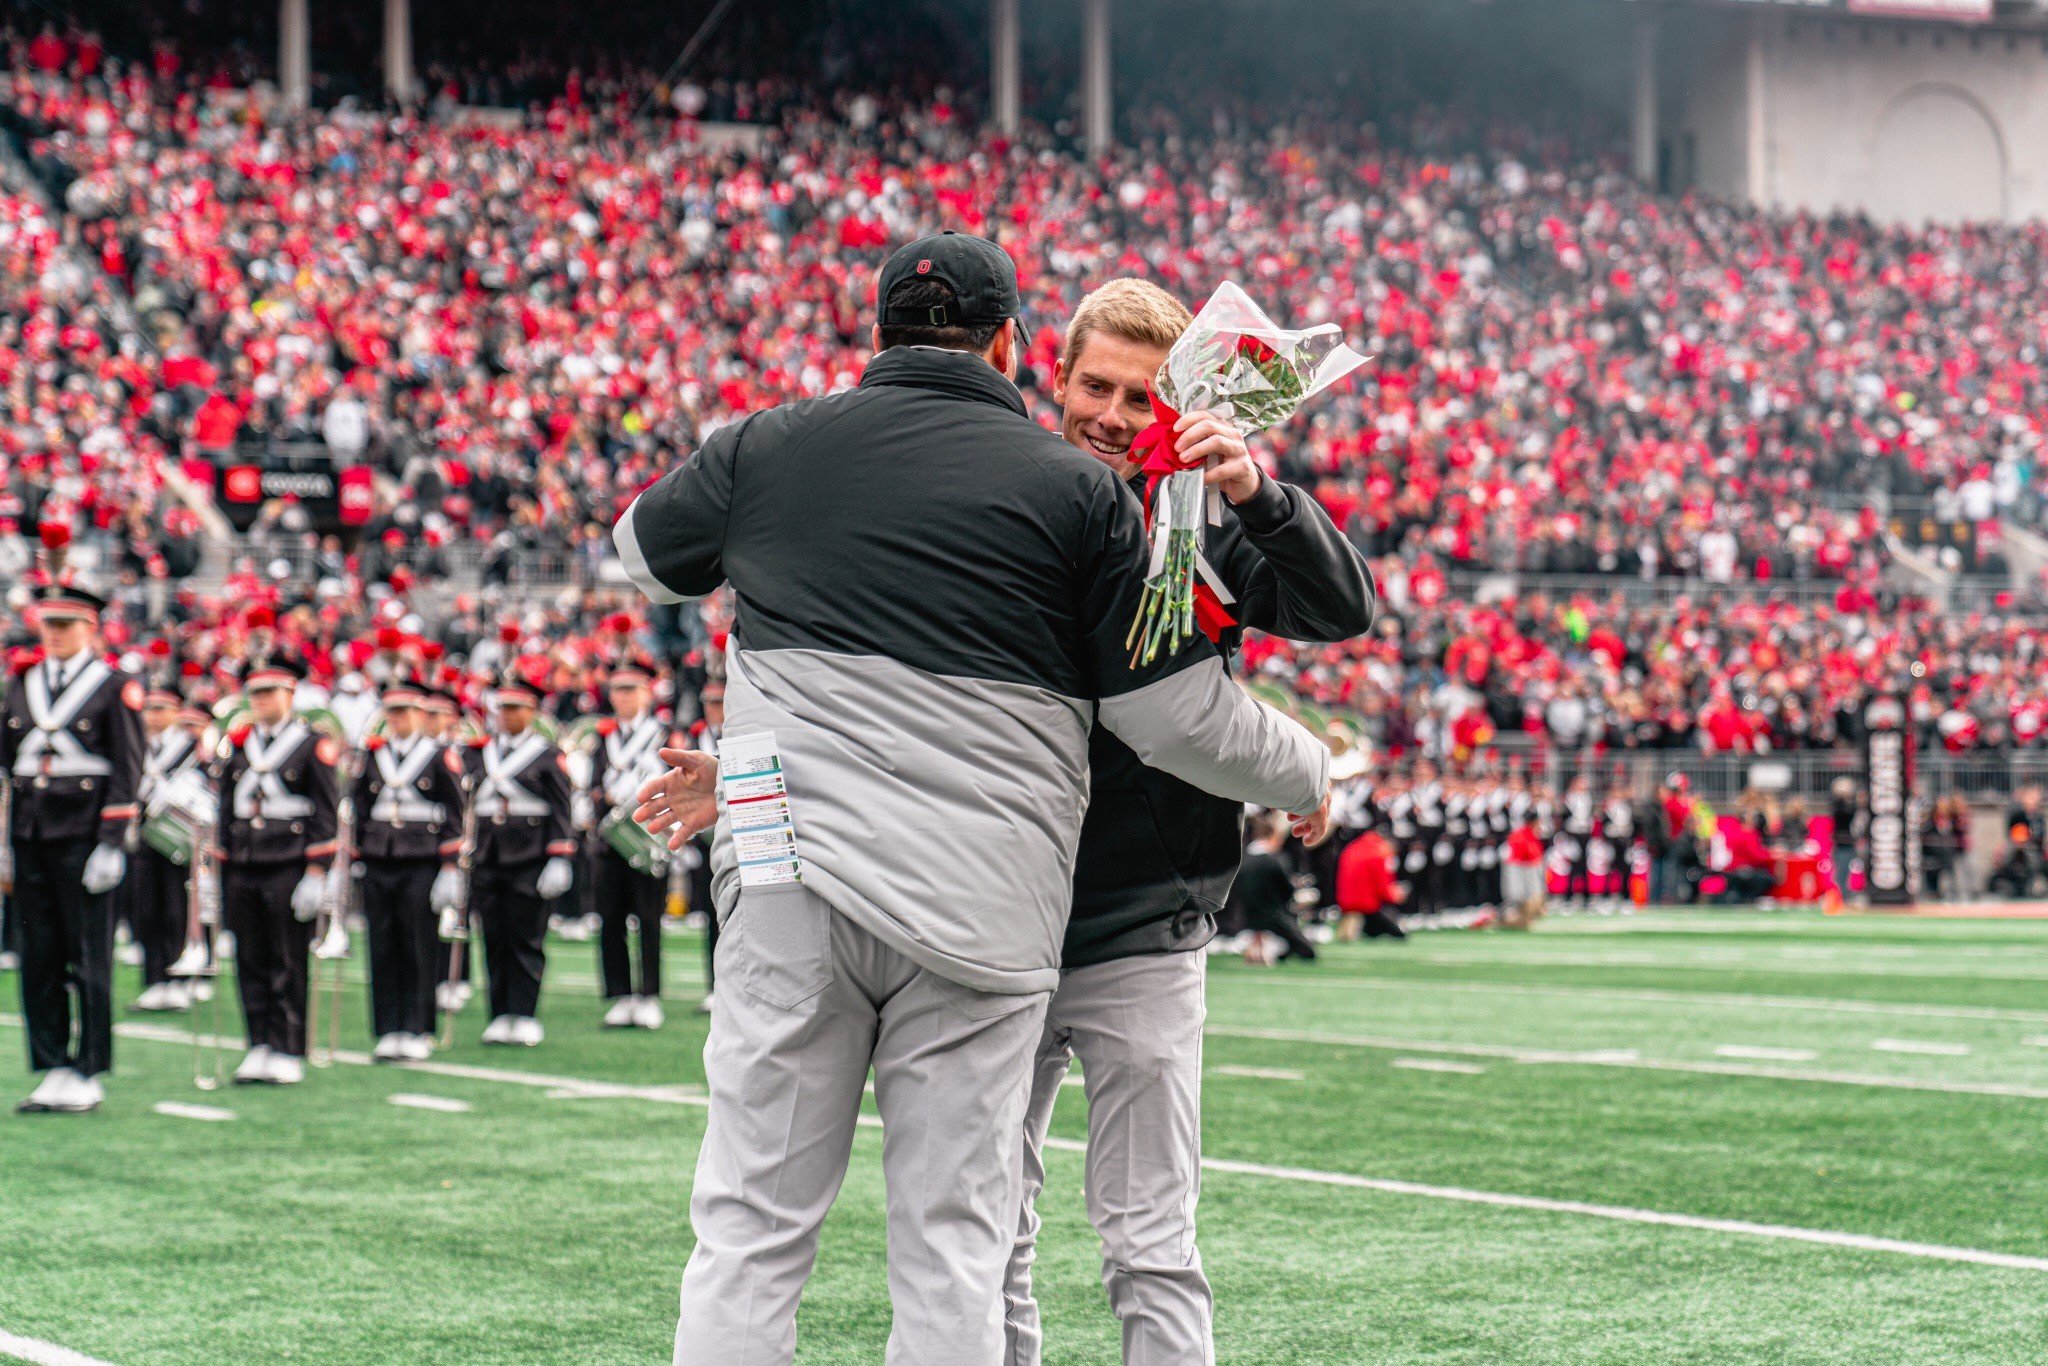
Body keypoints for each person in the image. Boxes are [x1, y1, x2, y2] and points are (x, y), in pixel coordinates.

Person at [619, 232, 1330, 1366]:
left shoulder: (762, 444)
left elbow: (643, 555)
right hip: (981, 905)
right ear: (1013, 347)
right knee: (953, 1241)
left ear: (877, 334)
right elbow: (1169, 718)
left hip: (790, 876)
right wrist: (1305, 770)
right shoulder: (1079, 492)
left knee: (749, 1228)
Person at [1002, 278, 1375, 1366]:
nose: (1111, 416)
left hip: (1147, 916)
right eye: (1094, 386)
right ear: (1054, 378)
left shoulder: (1206, 509)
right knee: (985, 1228)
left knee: (1151, 1238)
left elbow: (1340, 608)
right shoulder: (1004, 493)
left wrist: (1256, 493)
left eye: (1137, 396)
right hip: (997, 911)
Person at [4, 582, 144, 1114]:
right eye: (49, 625)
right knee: (38, 958)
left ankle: (88, 1068)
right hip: (32, 833)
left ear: (91, 628)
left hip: (85, 838)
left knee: (88, 958)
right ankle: (52, 1064)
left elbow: (128, 769)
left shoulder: (113, 686)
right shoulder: (23, 683)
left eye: (67, 625)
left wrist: (112, 841)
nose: (56, 635)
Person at [210, 658, 338, 1086]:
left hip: (288, 862)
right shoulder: (241, 744)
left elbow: (324, 811)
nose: (262, 701)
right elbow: (225, 808)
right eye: (256, 694)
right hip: (245, 862)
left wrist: (318, 871)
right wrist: (219, 863)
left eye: (270, 692)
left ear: (289, 694)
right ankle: (258, 1042)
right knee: (250, 958)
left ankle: (287, 1046)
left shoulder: (310, 744)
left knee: (286, 958)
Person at [350, 679, 465, 1062]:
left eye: (405, 712)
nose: (398, 720)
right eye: (392, 713)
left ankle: (417, 1026)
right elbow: (359, 810)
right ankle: (388, 1028)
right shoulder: (372, 756)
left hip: (421, 859)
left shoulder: (437, 755)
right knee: (382, 945)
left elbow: (454, 811)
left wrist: (450, 865)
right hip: (379, 856)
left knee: (418, 944)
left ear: (420, 714)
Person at [463, 678, 576, 1046]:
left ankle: (524, 1013)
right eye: (503, 708)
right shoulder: (479, 752)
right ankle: (499, 1014)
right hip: (487, 855)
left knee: (525, 937)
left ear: (531, 712)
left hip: (530, 856)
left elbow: (562, 807)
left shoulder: (546, 754)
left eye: (515, 708)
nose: (507, 716)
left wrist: (559, 856)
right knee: (492, 937)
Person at [588, 658, 681, 1029]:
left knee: (648, 916)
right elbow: (593, 781)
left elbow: (677, 782)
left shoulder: (663, 734)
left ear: (646, 692)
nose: (622, 698)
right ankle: (620, 994)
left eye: (630, 690)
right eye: (616, 690)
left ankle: (649, 994)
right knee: (609, 917)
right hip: (611, 837)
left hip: (650, 833)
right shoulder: (603, 736)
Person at [129, 686, 205, 1011]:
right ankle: (155, 979)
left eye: (161, 709)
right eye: (150, 708)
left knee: (177, 909)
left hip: (178, 838)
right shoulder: (136, 742)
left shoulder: (191, 746)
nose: (153, 715)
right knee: (145, 908)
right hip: (145, 834)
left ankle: (178, 978)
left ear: (176, 711)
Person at [1231, 815, 1318, 965]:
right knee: (1307, 951)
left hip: (1245, 918)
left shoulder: (1241, 860)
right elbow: (1288, 891)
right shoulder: (1275, 860)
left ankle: (1258, 945)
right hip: (1274, 917)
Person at [1336, 821, 1404, 941]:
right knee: (1398, 933)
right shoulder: (1378, 855)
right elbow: (1383, 887)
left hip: (1344, 899)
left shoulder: (1352, 847)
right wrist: (1395, 896)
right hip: (1366, 904)